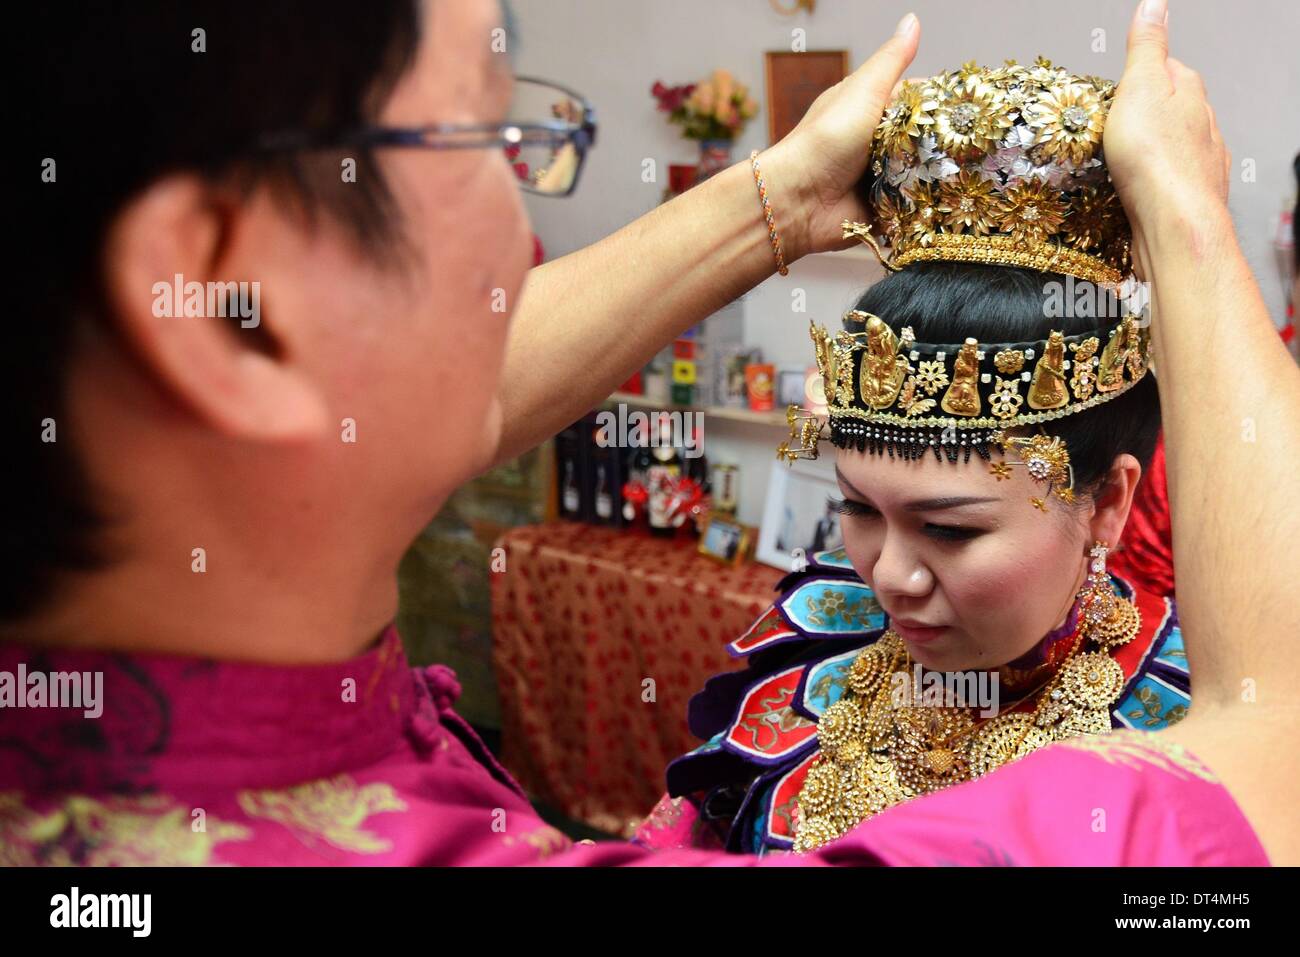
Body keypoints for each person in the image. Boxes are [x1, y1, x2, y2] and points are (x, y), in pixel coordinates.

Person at [3, 0, 1296, 867]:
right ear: (233, 312)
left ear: (1113, 506)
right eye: (488, 131)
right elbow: (1277, 743)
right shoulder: (801, 665)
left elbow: (469, 387)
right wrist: (1184, 214)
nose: (526, 232)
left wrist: (781, 200)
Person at [644, 57, 1191, 854]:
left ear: (1107, 502)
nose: (888, 576)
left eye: (951, 529)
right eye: (859, 509)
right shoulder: (823, 625)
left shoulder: (1188, 724)